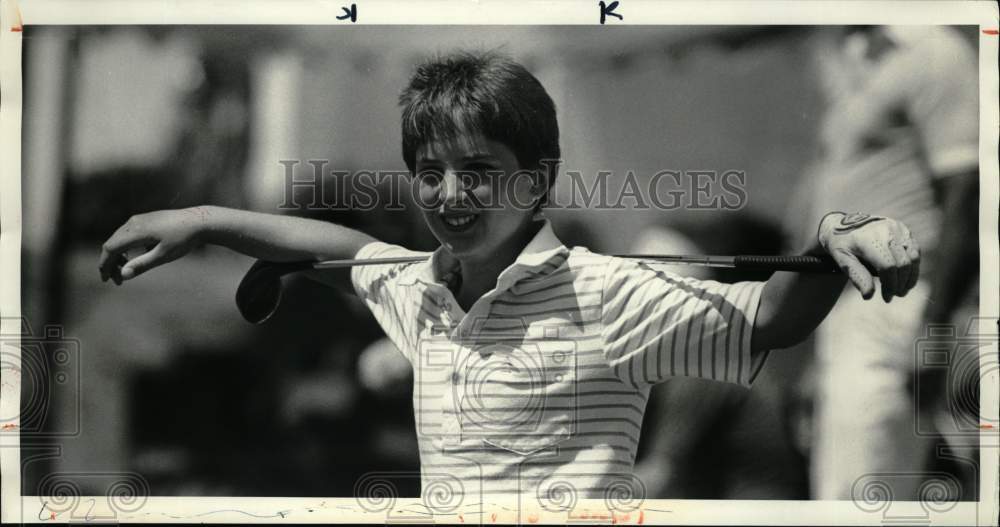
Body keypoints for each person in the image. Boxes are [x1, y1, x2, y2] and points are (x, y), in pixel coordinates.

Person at [98, 51, 921, 508]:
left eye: (479, 170)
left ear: (538, 178)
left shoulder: (611, 292)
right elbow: (338, 245)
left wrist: (833, 240)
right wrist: (205, 219)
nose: (450, 195)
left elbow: (767, 320)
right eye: (429, 172)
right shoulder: (417, 288)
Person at [801, 26, 979, 501]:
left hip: (903, 300)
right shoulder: (856, 58)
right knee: (846, 488)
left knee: (869, 492)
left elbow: (967, 195)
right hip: (850, 310)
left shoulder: (934, 52)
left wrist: (934, 329)